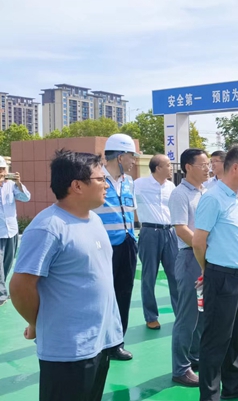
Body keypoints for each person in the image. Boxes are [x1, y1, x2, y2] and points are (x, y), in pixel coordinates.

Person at [10, 150, 122, 401]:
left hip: (99, 341)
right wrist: (38, 322)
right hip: (68, 350)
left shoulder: (94, 220)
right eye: (100, 179)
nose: (106, 185)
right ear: (77, 186)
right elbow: (20, 287)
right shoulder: (48, 227)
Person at [192, 145, 238, 400]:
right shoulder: (213, 198)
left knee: (235, 336)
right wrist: (207, 269)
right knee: (215, 340)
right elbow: (198, 242)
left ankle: (232, 386)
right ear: (235, 168)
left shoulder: (234, 196)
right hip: (221, 277)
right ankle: (210, 395)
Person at [94, 133, 139, 361]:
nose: (134, 161)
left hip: (128, 244)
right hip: (104, 247)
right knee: (102, 295)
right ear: (120, 157)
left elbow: (131, 212)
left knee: (124, 293)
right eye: (132, 156)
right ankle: (100, 342)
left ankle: (117, 342)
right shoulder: (96, 178)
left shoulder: (129, 181)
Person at [169, 148, 209, 387]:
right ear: (188, 167)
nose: (207, 168)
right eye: (203, 165)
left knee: (201, 313)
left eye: (208, 164)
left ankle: (195, 356)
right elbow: (181, 229)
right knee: (187, 315)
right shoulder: (180, 194)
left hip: (205, 257)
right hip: (190, 258)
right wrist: (202, 248)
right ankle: (180, 368)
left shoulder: (205, 192)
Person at [134, 154, 178, 330]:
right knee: (149, 276)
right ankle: (151, 316)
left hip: (170, 232)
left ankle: (180, 313)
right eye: (168, 165)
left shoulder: (171, 186)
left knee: (175, 275)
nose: (171, 168)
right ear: (158, 168)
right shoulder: (139, 184)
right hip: (149, 233)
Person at [0, 155, 30, 307]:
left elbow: (26, 198)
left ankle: (2, 289)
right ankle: (1, 294)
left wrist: (19, 184)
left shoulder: (11, 185)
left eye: (3, 169)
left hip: (11, 230)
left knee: (7, 263)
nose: (1, 172)